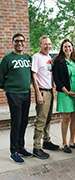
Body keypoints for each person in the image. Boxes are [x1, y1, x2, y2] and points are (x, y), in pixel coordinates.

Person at [0, 33, 32, 163]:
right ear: (13, 43)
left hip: (26, 93)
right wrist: (9, 90)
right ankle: (14, 152)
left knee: (24, 121)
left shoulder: (27, 57)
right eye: (16, 41)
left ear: (24, 43)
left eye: (21, 41)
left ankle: (21, 147)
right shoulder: (7, 59)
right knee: (16, 122)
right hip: (14, 94)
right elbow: (1, 77)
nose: (19, 43)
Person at [53, 39, 75, 153]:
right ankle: (64, 143)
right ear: (62, 48)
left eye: (69, 46)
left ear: (72, 48)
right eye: (65, 47)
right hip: (64, 92)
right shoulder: (57, 61)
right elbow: (56, 78)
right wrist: (66, 91)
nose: (67, 49)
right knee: (66, 118)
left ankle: (72, 141)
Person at [31, 35, 59, 159]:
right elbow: (34, 76)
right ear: (40, 45)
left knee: (48, 118)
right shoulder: (36, 57)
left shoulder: (48, 57)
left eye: (49, 44)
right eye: (45, 44)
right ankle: (36, 147)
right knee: (41, 120)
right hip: (42, 92)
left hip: (50, 92)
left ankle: (46, 141)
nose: (48, 46)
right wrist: (38, 94)